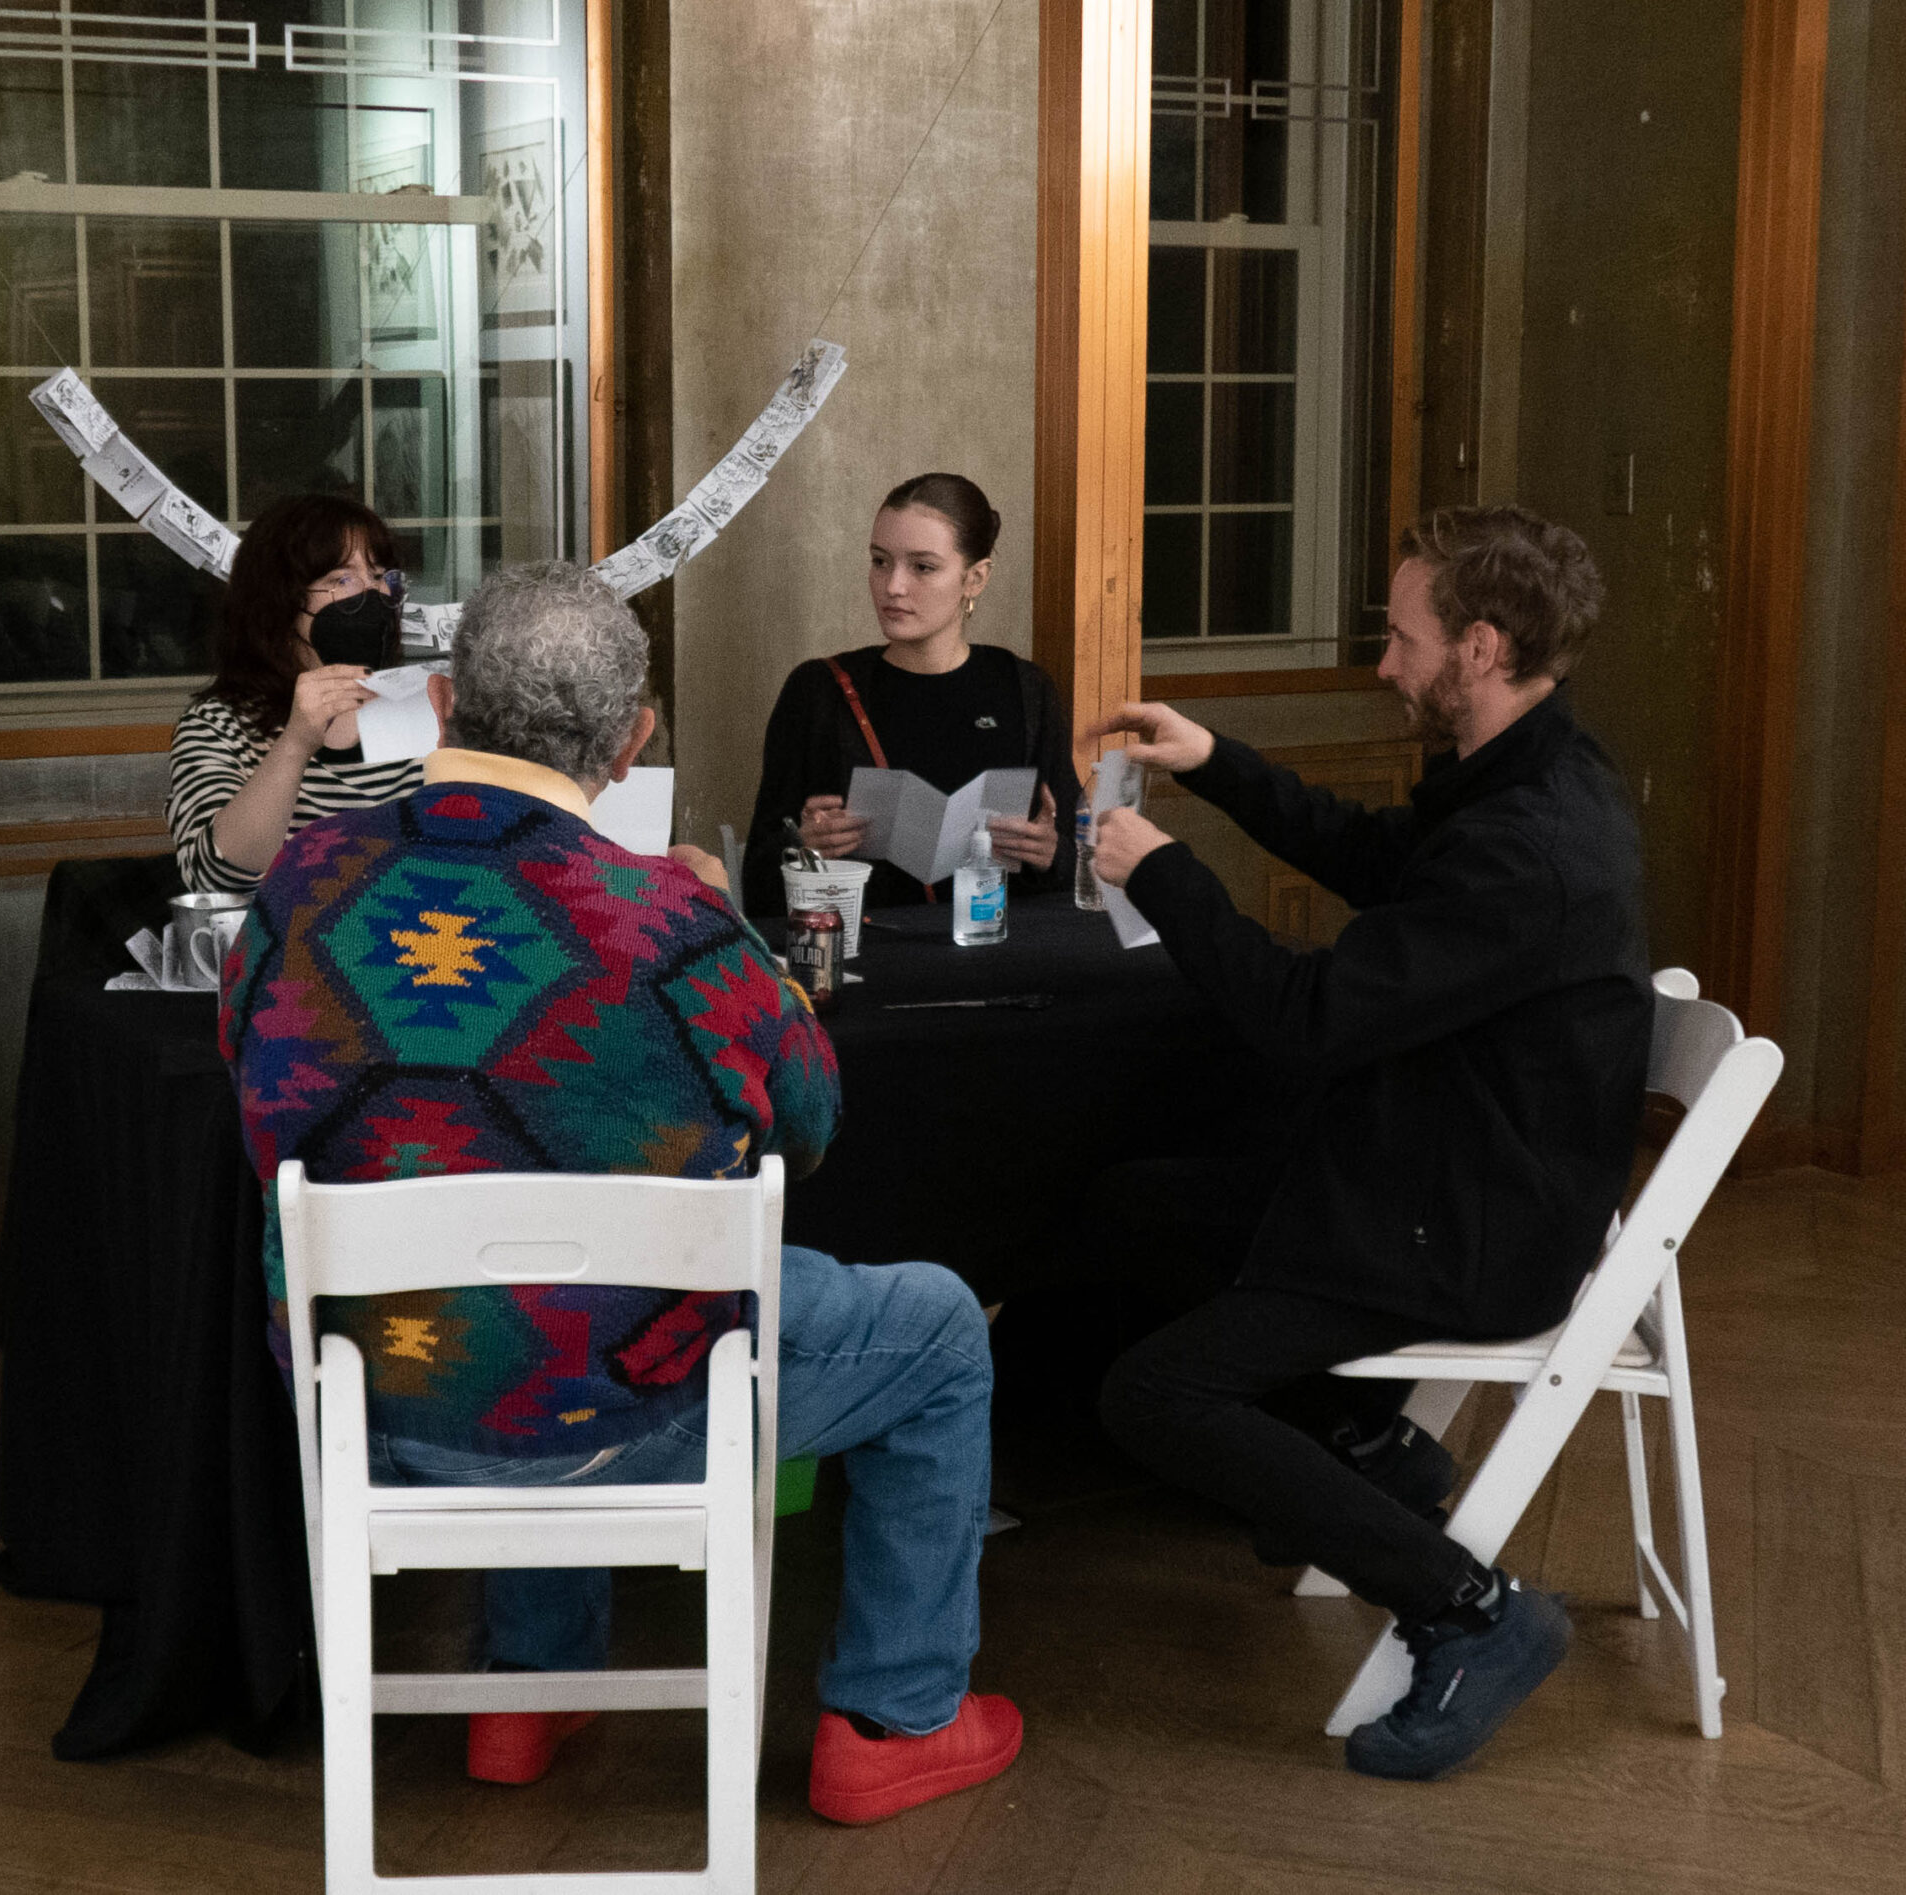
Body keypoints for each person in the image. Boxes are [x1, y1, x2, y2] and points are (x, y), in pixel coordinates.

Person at [218, 562, 1023, 1825]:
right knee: (934, 1325)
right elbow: (809, 1123)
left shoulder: (300, 880)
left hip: (369, 1403)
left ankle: (528, 1688)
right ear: (631, 739)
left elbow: (247, 1082)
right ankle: (893, 1720)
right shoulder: (672, 925)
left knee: (516, 1288)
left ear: (442, 706)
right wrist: (732, 928)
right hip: (621, 1413)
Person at [1081, 505, 1651, 1781]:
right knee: (1135, 1208)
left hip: (1471, 1228)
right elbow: (1372, 856)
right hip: (1435, 1169)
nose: (1385, 665)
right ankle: (1364, 1446)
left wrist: (1161, 872)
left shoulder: (1530, 846)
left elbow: (1307, 1020)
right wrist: (1214, 760)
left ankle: (1470, 1612)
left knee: (1154, 1393)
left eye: (1402, 641)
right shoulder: (1524, 772)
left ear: (1480, 648)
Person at [741, 472, 1078, 918]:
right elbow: (757, 883)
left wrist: (1050, 853)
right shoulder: (818, 691)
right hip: (864, 950)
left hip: (999, 948)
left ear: (975, 578)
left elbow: (1083, 865)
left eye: (922, 567)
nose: (893, 586)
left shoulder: (1025, 688)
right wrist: (803, 850)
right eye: (880, 561)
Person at [165, 490, 427, 894]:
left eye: (378, 575)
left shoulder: (417, 706)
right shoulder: (217, 725)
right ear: (281, 599)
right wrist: (295, 743)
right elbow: (217, 879)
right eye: (341, 578)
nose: (372, 592)